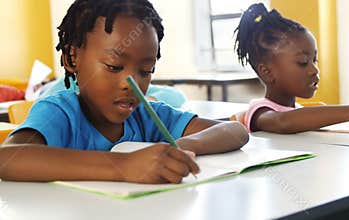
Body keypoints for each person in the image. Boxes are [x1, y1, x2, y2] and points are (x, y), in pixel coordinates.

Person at [0, 0, 248, 184]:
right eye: (113, 67)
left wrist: (176, 148)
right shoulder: (61, 112)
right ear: (71, 58)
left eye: (146, 70)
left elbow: (235, 131)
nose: (131, 83)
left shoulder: (147, 116)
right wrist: (123, 166)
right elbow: (7, 159)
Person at [234, 3, 349, 133]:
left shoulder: (298, 111)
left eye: (315, 60)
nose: (315, 70)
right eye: (303, 62)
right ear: (267, 72)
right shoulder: (260, 111)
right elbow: (284, 122)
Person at [39, 76, 187, 107]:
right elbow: (40, 106)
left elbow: (176, 96)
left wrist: (144, 99)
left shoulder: (127, 84)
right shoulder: (71, 83)